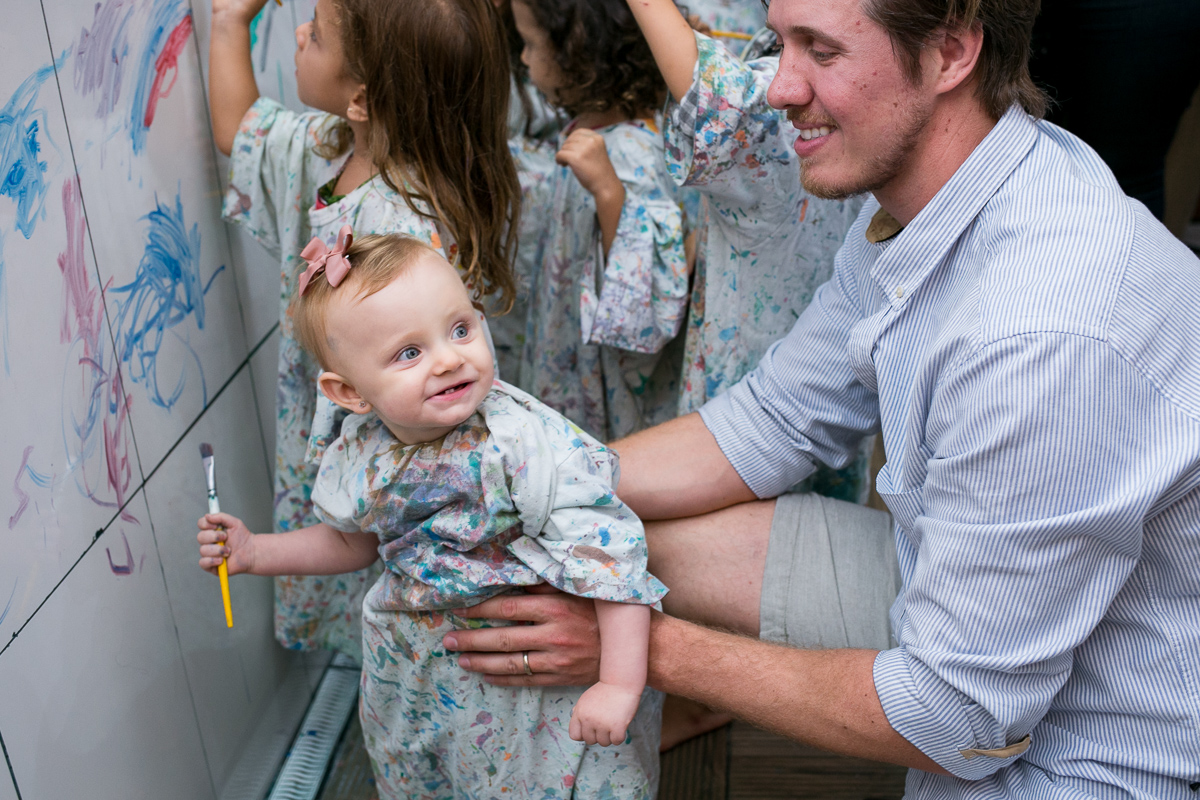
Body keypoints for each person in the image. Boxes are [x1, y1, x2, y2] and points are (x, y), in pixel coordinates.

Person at [443, 0, 1200, 797]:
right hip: (980, 617)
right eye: (779, 43)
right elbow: (773, 419)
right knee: (596, 536)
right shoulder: (938, 188)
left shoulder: (1041, 335)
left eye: (821, 51)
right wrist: (511, 480)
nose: (776, 86)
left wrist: (639, 649)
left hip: (1095, 745)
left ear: (950, 53)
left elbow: (957, 721)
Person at [197, 232, 667, 799]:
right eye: (409, 353)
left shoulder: (520, 447)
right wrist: (255, 552)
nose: (449, 358)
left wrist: (619, 684)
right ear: (349, 392)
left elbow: (610, 556)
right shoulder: (362, 449)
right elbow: (353, 544)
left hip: (532, 680)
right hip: (419, 674)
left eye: (460, 329)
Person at [209, 0, 520, 657]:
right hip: (357, 420)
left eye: (316, 34)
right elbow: (244, 131)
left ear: (362, 97)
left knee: (391, 580)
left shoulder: (401, 224)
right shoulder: (338, 151)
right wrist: (228, 21)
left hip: (396, 447)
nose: (299, 35)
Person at [628, 0, 870, 503]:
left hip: (752, 383)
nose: (787, 86)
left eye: (822, 51)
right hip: (800, 397)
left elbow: (724, 108)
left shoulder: (774, 108)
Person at [510, 0, 694, 442]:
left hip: (605, 400)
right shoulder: (592, 134)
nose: (523, 57)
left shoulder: (629, 155)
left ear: (578, 55)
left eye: (532, 44)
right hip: (566, 360)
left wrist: (609, 194)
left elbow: (648, 303)